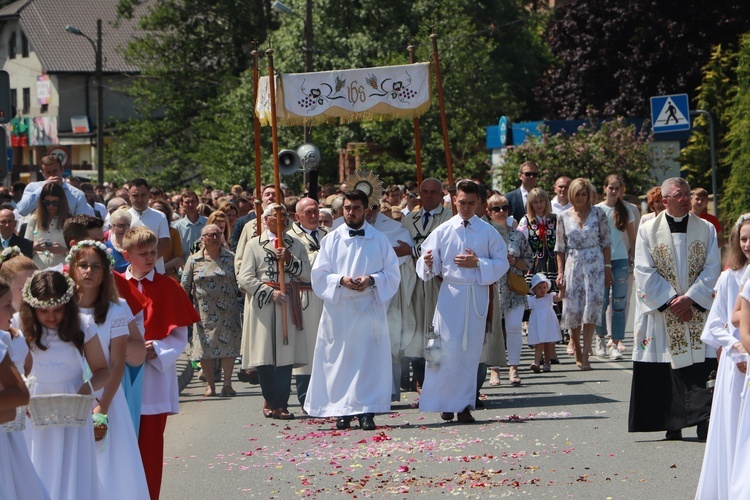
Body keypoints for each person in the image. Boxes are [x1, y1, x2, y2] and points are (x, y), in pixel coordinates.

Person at [628, 177, 720, 441]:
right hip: (663, 311)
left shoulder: (706, 229)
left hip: (695, 309)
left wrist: (690, 298)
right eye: (679, 195)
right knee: (665, 364)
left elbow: (713, 267)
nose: (685, 199)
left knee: (701, 363)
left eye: (687, 194)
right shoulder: (647, 230)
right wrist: (671, 301)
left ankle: (703, 420)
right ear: (665, 200)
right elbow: (643, 270)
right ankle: (671, 422)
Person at [304, 190, 400, 430]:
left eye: (356, 207)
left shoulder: (379, 239)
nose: (351, 212)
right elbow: (319, 275)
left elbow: (392, 273)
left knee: (368, 361)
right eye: (347, 207)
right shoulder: (332, 239)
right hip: (340, 310)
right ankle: (341, 410)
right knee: (340, 361)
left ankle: (367, 411)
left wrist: (372, 279)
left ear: (365, 210)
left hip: (368, 307)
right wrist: (340, 280)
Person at [416, 180, 508, 424]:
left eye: (470, 203)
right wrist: (427, 264)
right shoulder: (443, 230)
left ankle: (465, 404)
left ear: (478, 203)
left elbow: (502, 262)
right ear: (454, 201)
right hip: (450, 295)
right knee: (446, 351)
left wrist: (478, 263)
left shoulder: (487, 231)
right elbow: (427, 260)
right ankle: (445, 402)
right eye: (461, 203)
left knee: (469, 352)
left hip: (475, 293)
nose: (465, 208)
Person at [117, 226, 200, 499]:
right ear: (127, 254)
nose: (150, 258)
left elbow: (179, 334)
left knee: (150, 447)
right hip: (119, 377)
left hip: (153, 375)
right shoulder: (114, 285)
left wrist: (158, 349)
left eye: (153, 252)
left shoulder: (168, 286)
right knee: (119, 446)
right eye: (143, 253)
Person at [67, 240, 149, 499]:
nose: (88, 271)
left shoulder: (116, 309)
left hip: (108, 395)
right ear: (72, 269)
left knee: (111, 466)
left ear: (105, 273)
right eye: (83, 265)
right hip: (70, 392)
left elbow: (117, 362)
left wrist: (103, 407)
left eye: (95, 266)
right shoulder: (61, 309)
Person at [22, 270, 111, 499]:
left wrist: (85, 390)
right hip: (34, 406)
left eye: (58, 310)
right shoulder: (20, 326)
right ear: (31, 308)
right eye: (43, 310)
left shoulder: (82, 324)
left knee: (72, 469)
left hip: (72, 406)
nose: (51, 317)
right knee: (37, 463)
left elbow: (103, 370)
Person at [695, 213, 750, 499]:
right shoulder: (730, 278)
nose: (748, 244)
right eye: (743, 239)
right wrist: (737, 349)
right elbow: (716, 325)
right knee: (734, 428)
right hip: (738, 362)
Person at [237, 206, 310, 420]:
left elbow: (306, 273)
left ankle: (282, 404)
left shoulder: (296, 244)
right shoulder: (253, 245)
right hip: (263, 307)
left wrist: (289, 260)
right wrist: (269, 292)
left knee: (285, 357)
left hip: (288, 303)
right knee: (265, 356)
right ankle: (270, 399)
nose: (281, 221)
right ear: (265, 220)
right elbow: (245, 277)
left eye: (284, 217)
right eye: (276, 217)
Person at [401, 178, 453, 393]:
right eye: (425, 191)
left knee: (436, 329)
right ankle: (419, 377)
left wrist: (413, 251)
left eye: (434, 191)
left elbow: (442, 250)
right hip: (414, 280)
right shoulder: (408, 220)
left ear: (442, 194)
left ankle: (440, 376)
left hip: (438, 282)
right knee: (416, 329)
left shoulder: (450, 218)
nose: (429, 195)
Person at [555, 178, 612, 371]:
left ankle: (586, 352)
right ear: (572, 195)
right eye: (577, 194)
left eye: (584, 194)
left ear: (589, 195)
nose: (580, 198)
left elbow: (606, 243)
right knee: (573, 308)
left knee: (592, 307)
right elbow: (560, 247)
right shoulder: (563, 216)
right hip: (573, 263)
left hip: (595, 264)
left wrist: (608, 267)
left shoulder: (599, 214)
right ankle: (576, 346)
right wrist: (560, 272)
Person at [182, 224, 242, 398]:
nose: (215, 238)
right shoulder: (194, 260)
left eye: (218, 234)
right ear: (202, 239)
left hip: (228, 311)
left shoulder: (230, 258)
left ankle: (227, 384)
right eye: (211, 235)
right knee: (205, 348)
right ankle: (210, 384)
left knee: (228, 346)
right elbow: (184, 286)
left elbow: (240, 281)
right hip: (203, 312)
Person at [366, 202, 416, 403]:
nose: (368, 211)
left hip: (384, 295)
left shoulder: (393, 228)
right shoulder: (341, 228)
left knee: (387, 341)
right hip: (353, 296)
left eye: (373, 206)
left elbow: (403, 254)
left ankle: (390, 390)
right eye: (363, 206)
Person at [288, 197, 328, 410]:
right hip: (304, 296)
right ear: (298, 216)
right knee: (307, 346)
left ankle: (327, 395)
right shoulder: (290, 238)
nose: (314, 215)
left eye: (316, 211)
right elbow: (303, 267)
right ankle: (305, 396)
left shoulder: (327, 235)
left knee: (327, 344)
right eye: (308, 212)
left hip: (327, 296)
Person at [487, 193, 531, 385]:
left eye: (505, 207)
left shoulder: (517, 235)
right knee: (493, 330)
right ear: (489, 212)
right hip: (492, 288)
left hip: (514, 287)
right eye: (496, 208)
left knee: (513, 328)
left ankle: (514, 368)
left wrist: (513, 260)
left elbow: (529, 261)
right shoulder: (484, 234)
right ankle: (494, 369)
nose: (501, 211)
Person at [594, 174, 636, 360]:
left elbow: (633, 238)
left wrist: (634, 256)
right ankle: (600, 337)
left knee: (619, 302)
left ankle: (616, 341)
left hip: (620, 260)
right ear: (604, 188)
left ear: (621, 190)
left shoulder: (627, 209)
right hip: (601, 261)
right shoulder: (596, 210)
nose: (613, 191)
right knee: (601, 301)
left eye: (617, 188)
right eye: (610, 187)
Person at [16, 154, 94, 217]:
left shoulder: (77, 194)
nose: (52, 175)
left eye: (55, 171)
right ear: (43, 173)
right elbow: (22, 211)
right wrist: (42, 188)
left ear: (62, 170)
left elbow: (82, 223)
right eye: (48, 172)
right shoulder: (33, 187)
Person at [127, 178, 171, 275]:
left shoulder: (160, 216)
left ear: (149, 195)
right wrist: (137, 262)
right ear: (129, 196)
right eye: (135, 196)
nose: (139, 199)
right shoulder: (124, 217)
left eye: (143, 195)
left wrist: (148, 260)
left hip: (156, 270)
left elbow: (164, 243)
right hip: (131, 271)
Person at [23, 182, 70, 269]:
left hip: (62, 270)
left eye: (55, 203)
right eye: (47, 202)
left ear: (61, 202)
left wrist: (63, 250)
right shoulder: (34, 219)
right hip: (38, 270)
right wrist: (33, 247)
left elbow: (78, 251)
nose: (51, 206)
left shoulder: (70, 221)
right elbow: (25, 249)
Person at [527, 273, 564, 373]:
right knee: (539, 344)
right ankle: (537, 362)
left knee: (548, 344)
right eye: (539, 287)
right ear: (534, 289)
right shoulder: (532, 300)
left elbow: (560, 298)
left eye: (544, 287)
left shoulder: (549, 297)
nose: (542, 289)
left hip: (548, 323)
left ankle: (547, 363)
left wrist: (561, 289)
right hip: (537, 324)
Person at [150, 199, 184, 282]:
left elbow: (178, 258)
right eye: (154, 210)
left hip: (168, 275)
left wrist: (160, 269)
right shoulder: (146, 232)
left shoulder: (173, 232)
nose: (157, 213)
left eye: (160, 210)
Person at [173, 190, 207, 261]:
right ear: (181, 204)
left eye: (193, 201)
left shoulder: (207, 222)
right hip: (185, 266)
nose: (190, 205)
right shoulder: (177, 227)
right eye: (187, 202)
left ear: (197, 203)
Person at [105, 207, 132, 273]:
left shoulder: (135, 245)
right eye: (119, 225)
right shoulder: (106, 246)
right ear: (113, 227)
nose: (122, 229)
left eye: (126, 225)